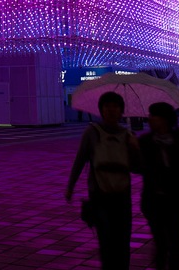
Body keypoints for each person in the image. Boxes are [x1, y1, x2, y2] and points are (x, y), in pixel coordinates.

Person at [66, 92, 140, 269]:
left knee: (122, 241)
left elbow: (138, 168)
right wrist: (70, 186)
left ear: (121, 110)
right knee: (106, 241)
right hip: (99, 195)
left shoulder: (128, 135)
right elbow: (80, 160)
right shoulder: (92, 133)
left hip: (122, 195)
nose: (111, 110)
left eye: (115, 106)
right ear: (101, 110)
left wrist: (136, 149)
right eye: (107, 106)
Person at [139, 102, 179, 270]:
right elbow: (136, 167)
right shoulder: (145, 143)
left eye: (153, 115)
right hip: (154, 203)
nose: (149, 118)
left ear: (164, 119)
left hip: (177, 203)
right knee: (161, 245)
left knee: (177, 247)